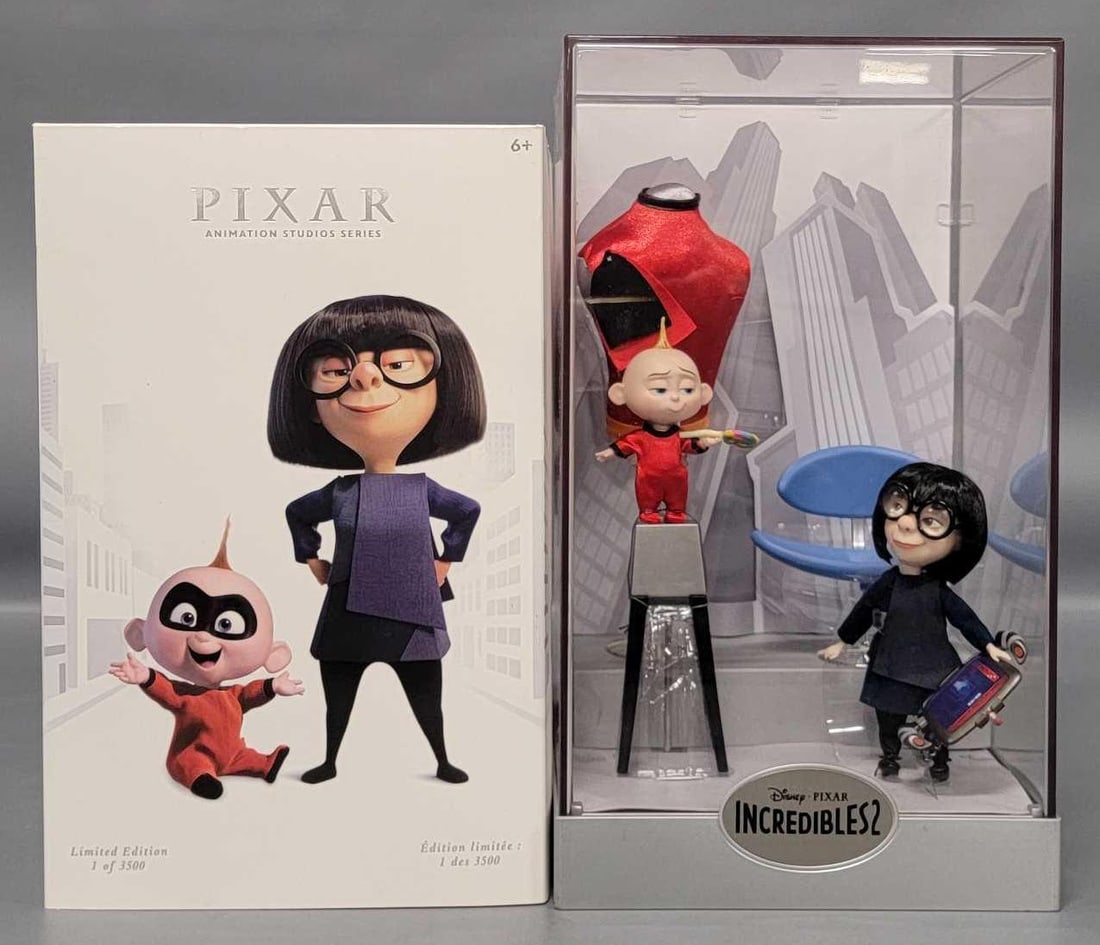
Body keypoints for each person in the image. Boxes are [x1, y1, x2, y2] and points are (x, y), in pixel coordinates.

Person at [267, 295, 485, 785]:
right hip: (348, 610)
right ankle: (329, 759)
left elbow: (467, 511)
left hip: (413, 611)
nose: (365, 378)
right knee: (338, 695)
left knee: (427, 697)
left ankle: (442, 759)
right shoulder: (341, 491)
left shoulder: (420, 489)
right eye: (336, 370)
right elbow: (298, 514)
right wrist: (311, 560)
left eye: (398, 365)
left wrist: (447, 560)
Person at [817, 462, 1012, 783]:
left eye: (931, 521)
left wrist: (988, 644)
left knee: (940, 715)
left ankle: (939, 760)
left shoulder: (938, 590)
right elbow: (863, 610)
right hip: (890, 664)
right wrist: (844, 640)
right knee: (887, 716)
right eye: (898, 508)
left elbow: (964, 618)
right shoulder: (888, 583)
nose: (906, 524)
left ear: (959, 539)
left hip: (934, 666)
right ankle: (890, 758)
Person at [110, 523, 304, 799]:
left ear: (274, 655)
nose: (203, 636)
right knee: (191, 763)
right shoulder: (185, 696)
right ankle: (200, 778)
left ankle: (265, 764)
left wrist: (272, 686)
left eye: (226, 624)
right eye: (187, 618)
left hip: (233, 752)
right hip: (194, 753)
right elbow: (167, 691)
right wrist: (147, 677)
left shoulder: (232, 696)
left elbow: (248, 694)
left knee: (244, 757)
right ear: (139, 634)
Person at [594, 319, 720, 523]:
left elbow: (689, 445)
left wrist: (703, 443)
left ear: (704, 393)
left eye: (687, 389)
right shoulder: (640, 438)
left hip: (677, 478)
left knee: (677, 496)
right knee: (647, 495)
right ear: (620, 394)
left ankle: (676, 511)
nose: (675, 397)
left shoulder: (680, 437)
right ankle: (648, 511)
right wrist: (609, 453)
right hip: (648, 479)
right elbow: (625, 445)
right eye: (660, 389)